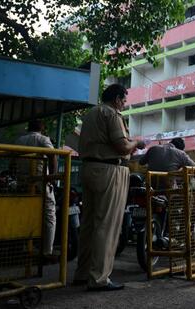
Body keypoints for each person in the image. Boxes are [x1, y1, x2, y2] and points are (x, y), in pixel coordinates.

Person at [73, 84, 145, 291]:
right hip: (109, 170)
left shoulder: (90, 114)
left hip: (88, 168)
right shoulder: (112, 114)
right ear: (116, 98)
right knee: (107, 225)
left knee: (88, 224)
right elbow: (122, 146)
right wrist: (136, 143)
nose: (124, 103)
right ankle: (99, 278)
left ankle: (83, 272)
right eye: (123, 99)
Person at [14, 119, 58, 263]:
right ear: (42, 128)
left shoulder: (19, 140)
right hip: (40, 182)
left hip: (22, 182)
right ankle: (47, 251)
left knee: (23, 215)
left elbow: (12, 161)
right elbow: (52, 156)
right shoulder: (42, 139)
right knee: (49, 214)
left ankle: (23, 248)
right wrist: (52, 176)